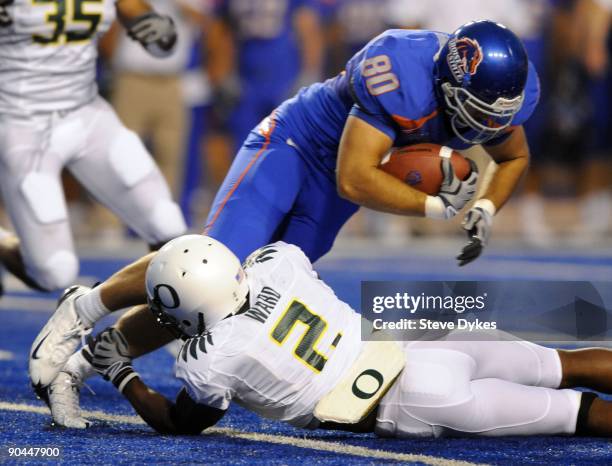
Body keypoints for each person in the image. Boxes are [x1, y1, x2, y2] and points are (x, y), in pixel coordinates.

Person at [29, 20, 540, 410]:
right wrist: (437, 206)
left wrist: (488, 205)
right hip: (298, 146)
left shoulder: (492, 98)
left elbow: (513, 155)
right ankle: (84, 307)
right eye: (475, 110)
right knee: (210, 262)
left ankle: (81, 364)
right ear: (448, 80)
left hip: (337, 188)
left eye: (496, 114)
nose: (486, 126)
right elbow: (355, 177)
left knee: (223, 300)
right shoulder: (400, 69)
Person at [55, 235, 612, 436]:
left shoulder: (210, 359)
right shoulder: (275, 264)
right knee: (567, 364)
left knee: (579, 416)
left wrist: (121, 371)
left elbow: (183, 423)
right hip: (424, 338)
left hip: (413, 399)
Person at [0, 0, 187, 292]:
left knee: (169, 226)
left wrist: (155, 28)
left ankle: (153, 323)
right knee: (54, 272)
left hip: (86, 113)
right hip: (23, 122)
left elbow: (137, 13)